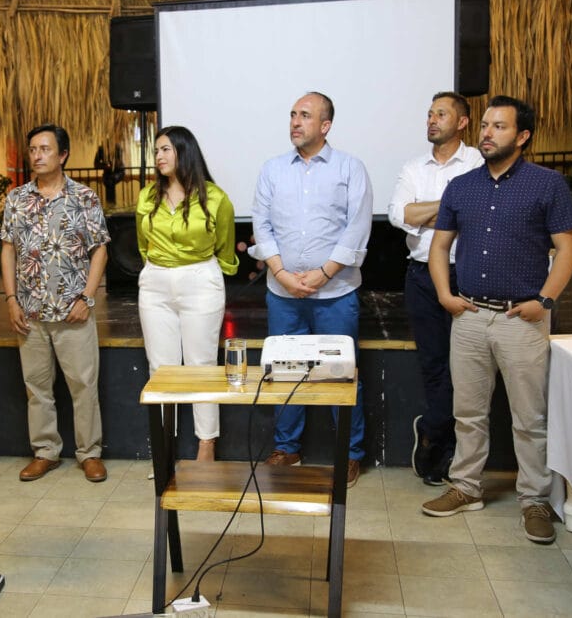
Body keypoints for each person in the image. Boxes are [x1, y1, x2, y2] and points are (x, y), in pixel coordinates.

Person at [420, 95, 572, 545]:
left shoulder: (548, 185)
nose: (487, 133)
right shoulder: (462, 186)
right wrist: (446, 295)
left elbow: (568, 249)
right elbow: (438, 247)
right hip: (468, 315)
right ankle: (466, 487)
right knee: (467, 412)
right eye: (485, 125)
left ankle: (535, 500)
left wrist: (545, 302)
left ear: (523, 136)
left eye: (500, 127)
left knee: (530, 418)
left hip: (522, 318)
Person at [249, 91, 372, 487]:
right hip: (283, 293)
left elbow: (357, 228)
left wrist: (324, 272)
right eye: (292, 115)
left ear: (325, 125)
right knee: (285, 372)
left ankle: (349, 453)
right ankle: (287, 447)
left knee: (340, 375)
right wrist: (283, 274)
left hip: (335, 293)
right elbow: (261, 226)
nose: (295, 122)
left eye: (305, 115)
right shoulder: (272, 170)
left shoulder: (351, 168)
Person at [1, 124, 110, 483]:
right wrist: (11, 299)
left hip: (73, 310)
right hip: (29, 311)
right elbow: (8, 250)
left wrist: (87, 297)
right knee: (36, 388)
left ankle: (89, 453)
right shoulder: (16, 199)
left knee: (83, 385)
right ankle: (45, 452)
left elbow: (100, 251)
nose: (37, 155)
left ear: (62, 155)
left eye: (45, 149)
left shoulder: (85, 197)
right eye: (33, 149)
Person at [387, 92, 483, 485]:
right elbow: (399, 215)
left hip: (469, 274)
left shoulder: (477, 161)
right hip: (422, 276)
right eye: (429, 114)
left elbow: (475, 209)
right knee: (434, 364)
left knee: (466, 368)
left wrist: (428, 210)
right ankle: (441, 450)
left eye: (441, 114)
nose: (432, 120)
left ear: (461, 122)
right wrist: (451, 204)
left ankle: (432, 429)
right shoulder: (414, 166)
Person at [136, 126, 239, 461]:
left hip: (200, 279)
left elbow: (225, 249)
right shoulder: (147, 197)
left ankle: (206, 445)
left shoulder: (216, 198)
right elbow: (142, 244)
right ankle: (164, 448)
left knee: (202, 364)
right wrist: (160, 269)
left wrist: (199, 274)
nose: (159, 157)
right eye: (156, 151)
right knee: (160, 366)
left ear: (184, 151)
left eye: (166, 149)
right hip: (155, 281)